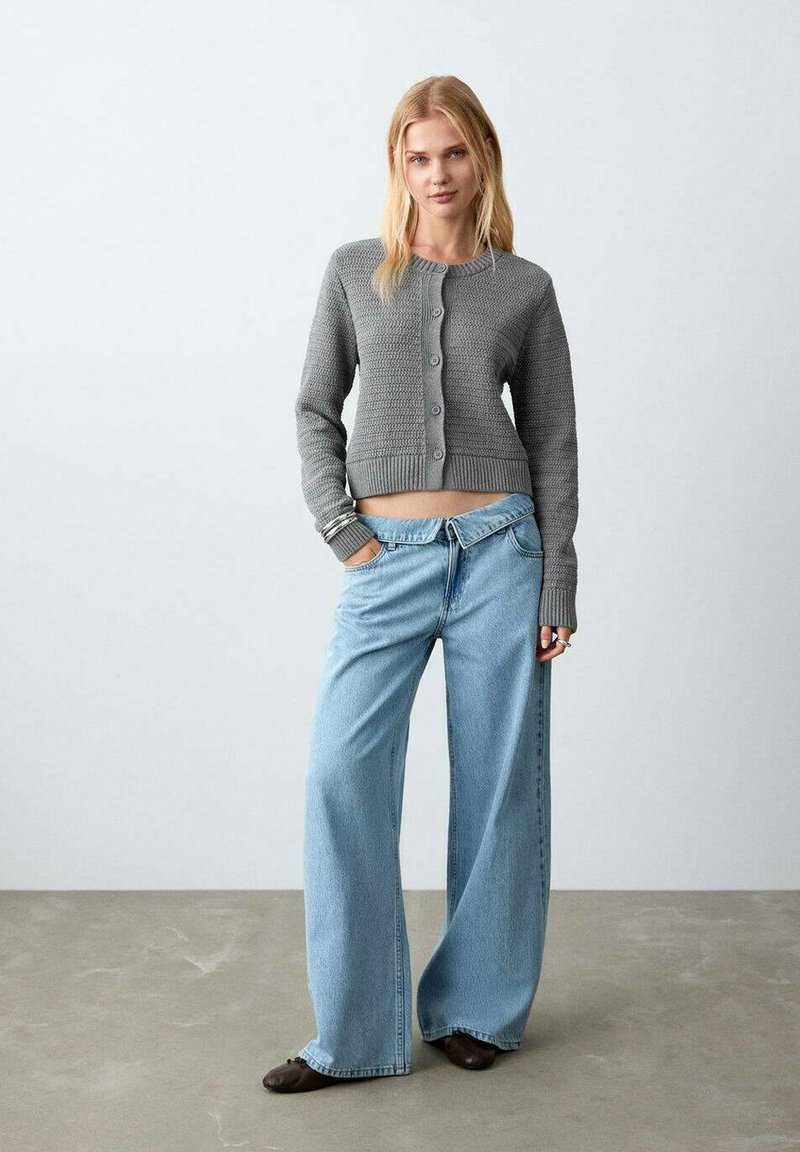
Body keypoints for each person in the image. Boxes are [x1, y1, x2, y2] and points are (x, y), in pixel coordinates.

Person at [264, 74, 579, 1094]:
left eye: (452, 153)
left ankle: (477, 1009)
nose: (436, 174)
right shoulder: (354, 272)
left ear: (481, 159)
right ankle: (352, 1033)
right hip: (384, 557)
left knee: (498, 786)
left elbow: (552, 438)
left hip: (501, 553)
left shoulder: (523, 288)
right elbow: (314, 409)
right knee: (339, 774)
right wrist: (344, 532)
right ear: (397, 168)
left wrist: (556, 580)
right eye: (417, 157)